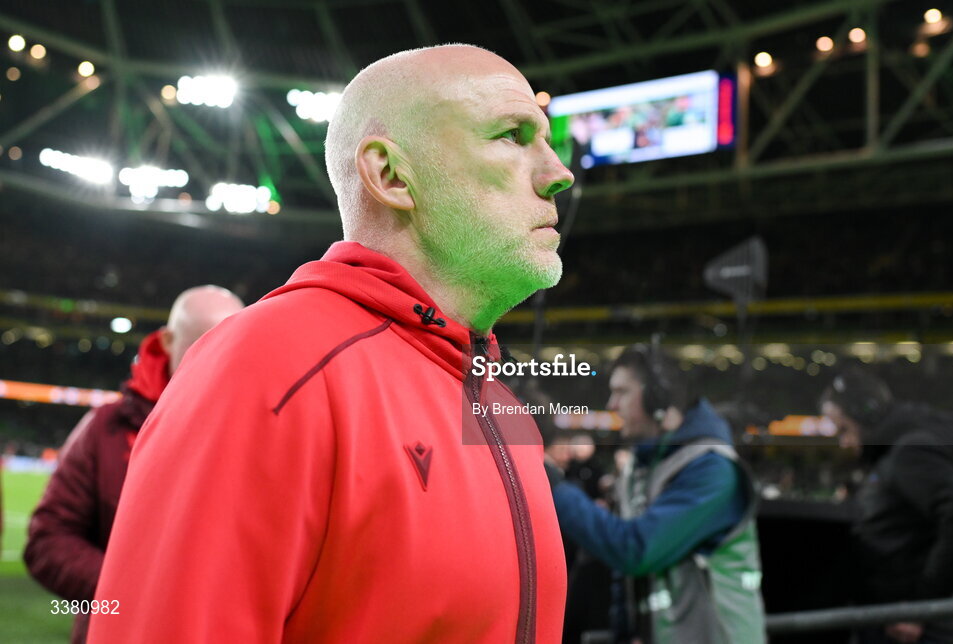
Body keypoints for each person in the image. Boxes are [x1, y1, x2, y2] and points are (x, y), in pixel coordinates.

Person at [88, 44, 575, 643]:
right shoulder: (271, 364)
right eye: (511, 134)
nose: (558, 173)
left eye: (548, 141)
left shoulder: (495, 395)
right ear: (391, 175)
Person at [23, 285, 243, 644]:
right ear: (167, 341)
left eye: (228, 346)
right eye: (199, 344)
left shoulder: (263, 427)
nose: (214, 361)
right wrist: (124, 595)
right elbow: (48, 539)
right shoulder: (106, 427)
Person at [545, 345, 766, 644]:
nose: (612, 404)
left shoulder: (712, 470)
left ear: (658, 399)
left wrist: (554, 486)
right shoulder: (645, 462)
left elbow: (636, 549)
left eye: (622, 392)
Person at [821, 367, 953, 644]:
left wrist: (920, 607)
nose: (844, 442)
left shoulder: (911, 452)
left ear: (867, 416)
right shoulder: (892, 456)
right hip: (899, 621)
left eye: (844, 429)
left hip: (915, 630)